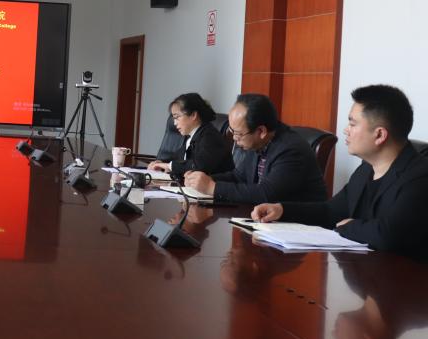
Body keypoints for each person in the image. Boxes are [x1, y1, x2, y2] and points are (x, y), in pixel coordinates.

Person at [252, 85, 428, 261]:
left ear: (380, 135)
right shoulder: (366, 169)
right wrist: (282, 209)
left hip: (403, 275)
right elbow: (330, 211)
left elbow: (389, 235)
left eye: (352, 124)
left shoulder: (420, 176)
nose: (346, 130)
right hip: (365, 270)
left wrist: (349, 226)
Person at [183, 93, 327, 205]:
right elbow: (239, 177)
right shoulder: (259, 143)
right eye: (232, 131)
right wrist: (203, 180)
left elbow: (266, 194)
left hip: (299, 226)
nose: (234, 139)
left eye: (238, 134)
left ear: (261, 131)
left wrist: (212, 188)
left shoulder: (291, 149)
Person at [147, 93, 233, 180]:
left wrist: (169, 166)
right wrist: (161, 163)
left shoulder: (210, 137)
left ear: (193, 115)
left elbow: (199, 165)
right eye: (174, 118)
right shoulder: (192, 136)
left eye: (177, 117)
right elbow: (177, 157)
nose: (175, 123)